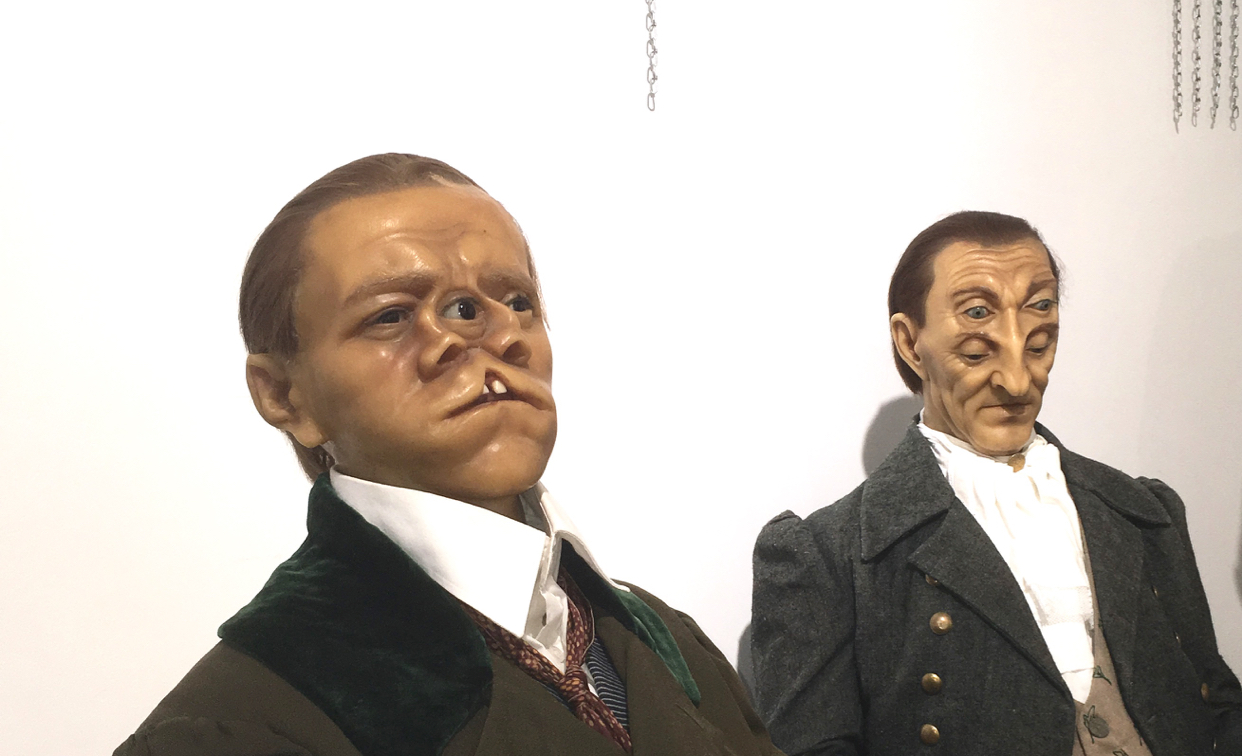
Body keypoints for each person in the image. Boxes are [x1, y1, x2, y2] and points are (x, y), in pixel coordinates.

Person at [116, 153, 778, 756]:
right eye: (392, 315)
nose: (489, 337)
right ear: (283, 394)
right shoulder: (236, 724)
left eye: (516, 301)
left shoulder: (665, 642)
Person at [750, 211, 1242, 756]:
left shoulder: (1143, 511)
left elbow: (1218, 713)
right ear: (911, 343)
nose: (1019, 382)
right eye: (977, 352)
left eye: (1039, 342)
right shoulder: (823, 557)